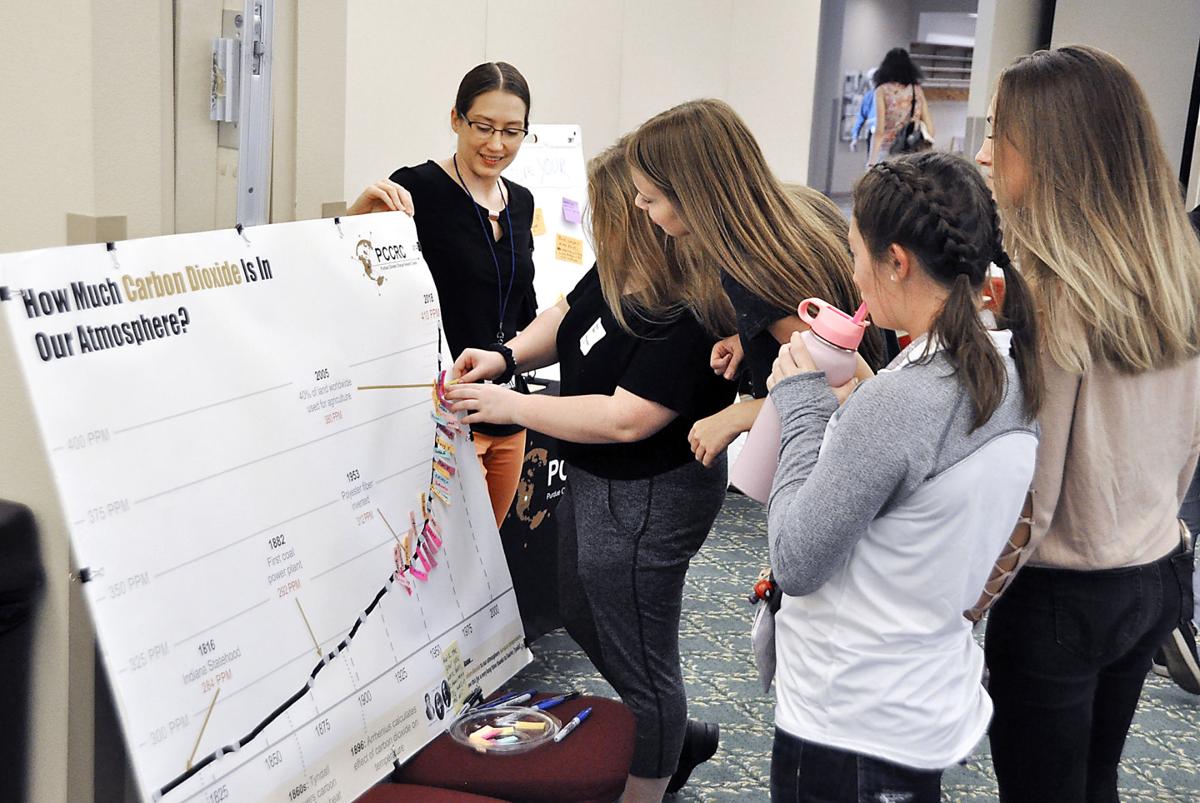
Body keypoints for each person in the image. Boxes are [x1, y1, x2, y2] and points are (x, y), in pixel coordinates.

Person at [445, 141, 736, 802]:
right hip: (599, 480)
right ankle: (667, 723)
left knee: (643, 650)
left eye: (634, 199)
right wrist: (503, 358)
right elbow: (566, 317)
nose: (617, 211)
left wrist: (510, 403)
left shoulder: (689, 305)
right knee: (578, 602)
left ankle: (652, 768)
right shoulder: (624, 265)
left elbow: (627, 419)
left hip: (653, 492)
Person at [763, 151, 1042, 802]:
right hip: (920, 689)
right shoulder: (1008, 358)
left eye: (856, 251)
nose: (852, 273)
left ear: (898, 261)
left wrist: (803, 406)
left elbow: (797, 559)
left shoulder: (907, 398)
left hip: (851, 712)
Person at [976, 45, 1200, 803]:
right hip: (1156, 571)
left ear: (1050, 151)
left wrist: (967, 604)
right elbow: (1187, 448)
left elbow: (1032, 498)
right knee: (1094, 781)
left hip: (1061, 598)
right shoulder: (1177, 270)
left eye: (997, 131)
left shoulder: (1054, 288)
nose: (979, 151)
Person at [623, 99, 884, 471]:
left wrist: (738, 416)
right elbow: (813, 326)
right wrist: (752, 337)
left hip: (832, 461)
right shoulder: (801, 208)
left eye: (650, 198)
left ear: (691, 197)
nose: (637, 203)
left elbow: (848, 384)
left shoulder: (750, 272)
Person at [347, 62, 537, 527]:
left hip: (508, 412)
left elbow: (524, 307)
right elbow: (357, 276)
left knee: (484, 563)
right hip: (440, 417)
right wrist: (358, 216)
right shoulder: (418, 188)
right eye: (483, 127)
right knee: (430, 558)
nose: (496, 145)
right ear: (456, 119)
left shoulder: (523, 202)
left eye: (512, 132)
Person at [869, 48, 935, 166]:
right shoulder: (917, 90)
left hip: (889, 150)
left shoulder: (882, 90)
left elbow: (879, 131)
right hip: (911, 154)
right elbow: (930, 128)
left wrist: (871, 161)